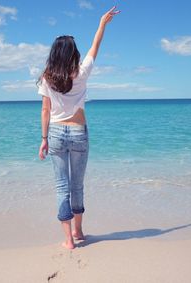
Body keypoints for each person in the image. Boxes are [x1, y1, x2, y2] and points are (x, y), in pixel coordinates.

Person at [38, 6, 120, 249]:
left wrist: (44, 139)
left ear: (54, 54)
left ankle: (68, 241)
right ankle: (79, 231)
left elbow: (45, 110)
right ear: (73, 53)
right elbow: (96, 46)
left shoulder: (47, 77)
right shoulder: (82, 72)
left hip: (55, 131)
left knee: (62, 186)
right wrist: (102, 24)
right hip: (78, 131)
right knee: (77, 185)